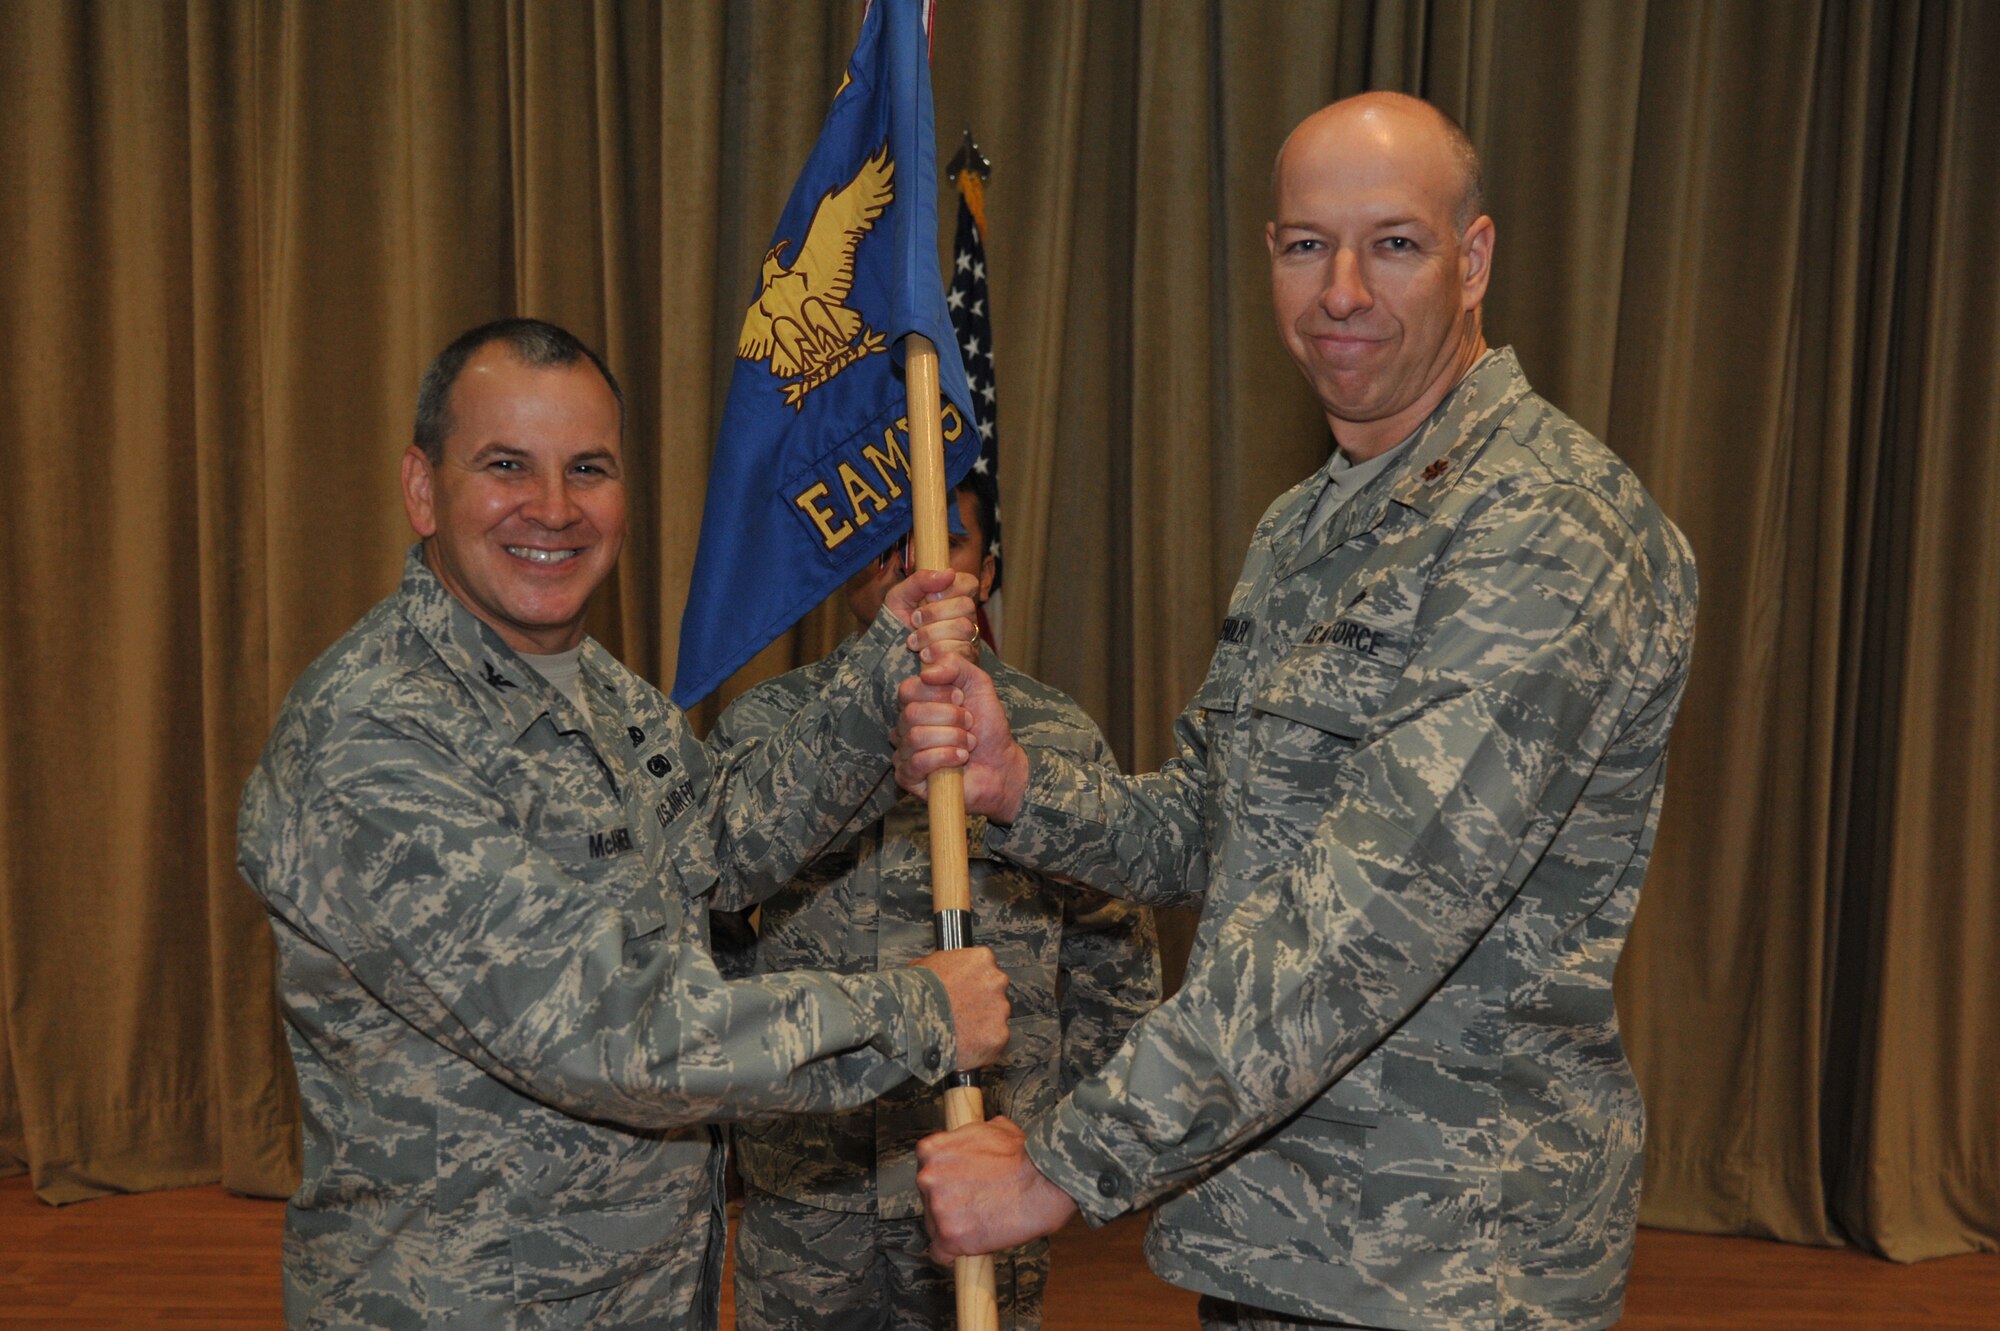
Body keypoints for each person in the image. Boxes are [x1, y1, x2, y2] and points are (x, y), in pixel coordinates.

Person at [900, 92, 1700, 1331]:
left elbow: (1367, 917)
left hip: (1444, 1266)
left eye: (1392, 242)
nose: (1339, 290)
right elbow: (1217, 828)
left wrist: (1065, 1160)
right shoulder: (1306, 523)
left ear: (1472, 258)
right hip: (1277, 1236)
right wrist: (1021, 787)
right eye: (1302, 244)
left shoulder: (1541, 525)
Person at [236, 317, 1011, 1330]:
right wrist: (911, 1012)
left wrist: (879, 683)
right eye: (505, 464)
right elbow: (610, 1027)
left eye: (588, 468)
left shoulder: (600, 689)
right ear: (423, 488)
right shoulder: (370, 736)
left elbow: (712, 847)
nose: (553, 509)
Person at [711, 484, 1162, 1331]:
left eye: (946, 541)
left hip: (989, 1181)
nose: (913, 564)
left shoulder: (1052, 736)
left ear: (984, 572)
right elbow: (711, 942)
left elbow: (1114, 962)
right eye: (886, 541)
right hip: (810, 1188)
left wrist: (1070, 1152)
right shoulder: (765, 731)